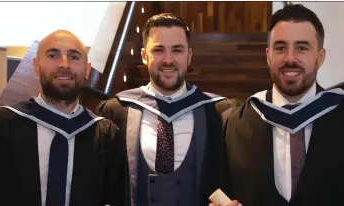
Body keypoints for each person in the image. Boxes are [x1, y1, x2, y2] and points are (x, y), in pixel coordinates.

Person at [96, 13, 241, 206]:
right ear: (144, 56)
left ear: (189, 56)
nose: (168, 59)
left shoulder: (219, 113)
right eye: (158, 50)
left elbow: (236, 179)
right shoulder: (116, 111)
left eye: (177, 50)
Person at [0, 30, 125, 206]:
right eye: (53, 55)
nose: (64, 64)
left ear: (87, 70)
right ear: (36, 66)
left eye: (74, 57)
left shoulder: (106, 135)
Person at [221, 4, 344, 206]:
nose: (290, 58)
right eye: (280, 48)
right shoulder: (235, 125)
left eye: (302, 48)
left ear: (320, 57)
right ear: (268, 56)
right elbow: (220, 190)